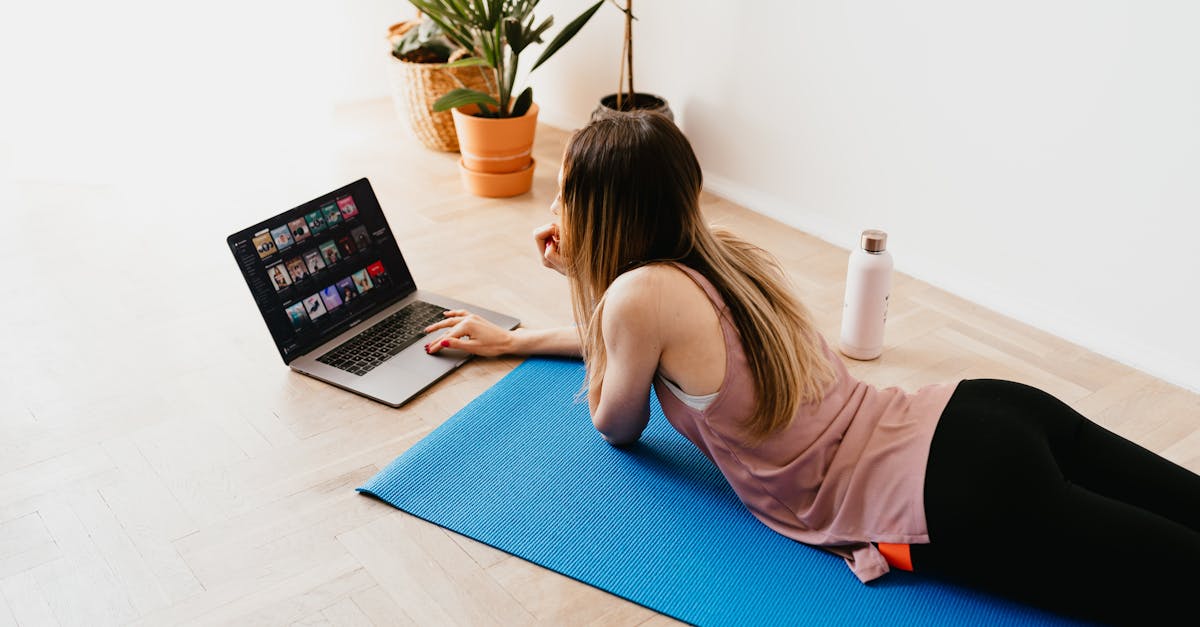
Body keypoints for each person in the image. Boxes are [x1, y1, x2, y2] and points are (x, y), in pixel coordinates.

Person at [420, 111, 1200, 626]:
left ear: (602, 213)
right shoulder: (723, 259)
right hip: (985, 414)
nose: (557, 213)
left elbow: (615, 422)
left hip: (950, 493)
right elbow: (633, 345)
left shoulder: (632, 295)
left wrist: (580, 279)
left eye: (565, 198)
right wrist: (516, 340)